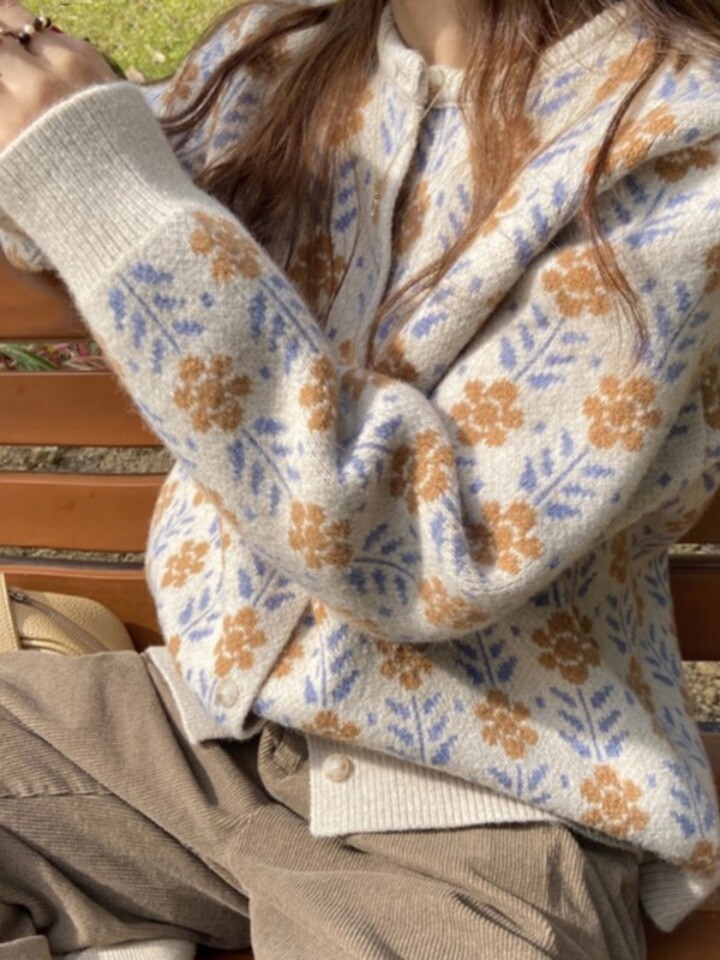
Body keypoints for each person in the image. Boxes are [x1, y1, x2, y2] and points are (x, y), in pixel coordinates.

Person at [0, 0, 719, 957]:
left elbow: (425, 552)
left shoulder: (674, 139)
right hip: (207, 742)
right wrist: (40, 103)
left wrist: (96, 183)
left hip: (481, 816)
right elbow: (60, 206)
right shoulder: (284, 45)